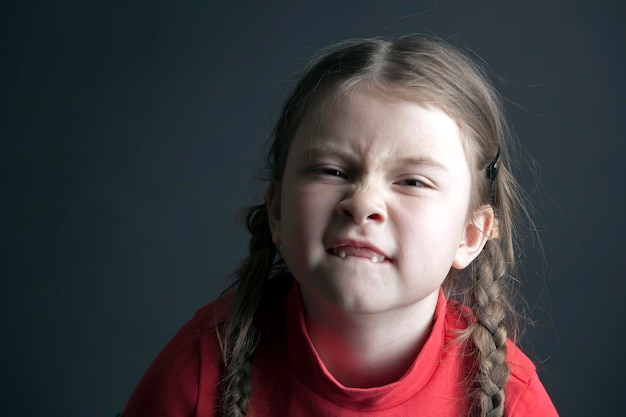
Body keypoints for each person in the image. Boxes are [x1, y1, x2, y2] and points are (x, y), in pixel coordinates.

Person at [121, 34, 558, 417]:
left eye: (412, 181)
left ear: (471, 236)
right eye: (331, 171)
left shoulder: (507, 395)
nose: (363, 203)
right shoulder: (201, 365)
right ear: (276, 210)